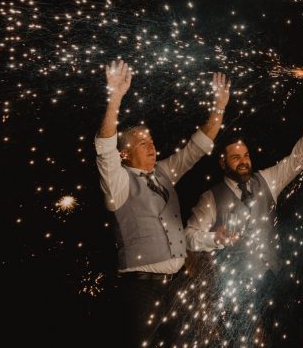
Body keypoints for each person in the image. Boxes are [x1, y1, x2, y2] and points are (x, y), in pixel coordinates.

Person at [94, 59, 230, 346]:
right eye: (143, 143)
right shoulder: (117, 182)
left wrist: (219, 108)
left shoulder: (164, 172)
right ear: (125, 155)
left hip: (177, 284)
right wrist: (115, 98)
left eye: (152, 141)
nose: (152, 147)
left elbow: (197, 147)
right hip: (141, 291)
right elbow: (105, 148)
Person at [184, 92, 303, 341]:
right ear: (223, 163)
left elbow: (297, 160)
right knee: (245, 339)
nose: (244, 162)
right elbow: (189, 236)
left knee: (275, 338)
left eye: (246, 156)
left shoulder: (266, 179)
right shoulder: (210, 198)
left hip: (272, 279)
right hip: (234, 286)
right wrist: (215, 238)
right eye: (236, 158)